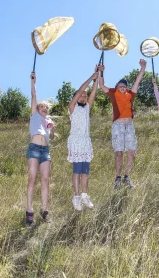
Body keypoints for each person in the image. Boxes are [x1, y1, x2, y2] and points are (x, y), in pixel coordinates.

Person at [98, 59, 147, 189]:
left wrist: (142, 68)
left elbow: (137, 81)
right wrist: (101, 72)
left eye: (124, 86)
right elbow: (101, 85)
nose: (122, 87)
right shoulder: (113, 94)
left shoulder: (130, 94)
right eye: (120, 85)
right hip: (118, 126)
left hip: (129, 126)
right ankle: (118, 178)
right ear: (117, 87)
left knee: (131, 152)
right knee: (119, 152)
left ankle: (127, 176)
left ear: (127, 87)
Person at [68, 65, 101, 211]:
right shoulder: (72, 108)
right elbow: (82, 89)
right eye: (81, 95)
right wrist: (91, 77)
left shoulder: (87, 107)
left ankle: (84, 195)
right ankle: (75, 197)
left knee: (85, 171)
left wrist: (98, 74)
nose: (83, 96)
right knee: (77, 170)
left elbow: (94, 90)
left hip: (86, 142)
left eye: (85, 96)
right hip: (76, 141)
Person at [26, 71, 56, 225]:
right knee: (32, 179)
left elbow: (50, 138)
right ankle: (29, 210)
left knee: (45, 180)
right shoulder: (34, 115)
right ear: (37, 108)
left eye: (46, 108)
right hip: (34, 148)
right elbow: (33, 96)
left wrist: (53, 130)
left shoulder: (47, 121)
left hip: (45, 151)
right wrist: (33, 81)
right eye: (42, 107)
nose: (44, 109)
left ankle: (44, 211)